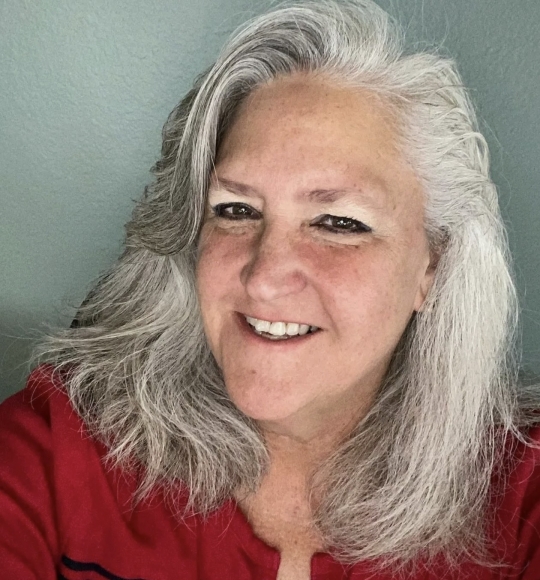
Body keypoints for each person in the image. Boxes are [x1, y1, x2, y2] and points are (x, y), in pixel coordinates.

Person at [1, 1, 539, 578]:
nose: (263, 277)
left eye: (339, 223)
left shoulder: (519, 498)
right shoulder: (58, 450)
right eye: (236, 209)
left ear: (432, 266)